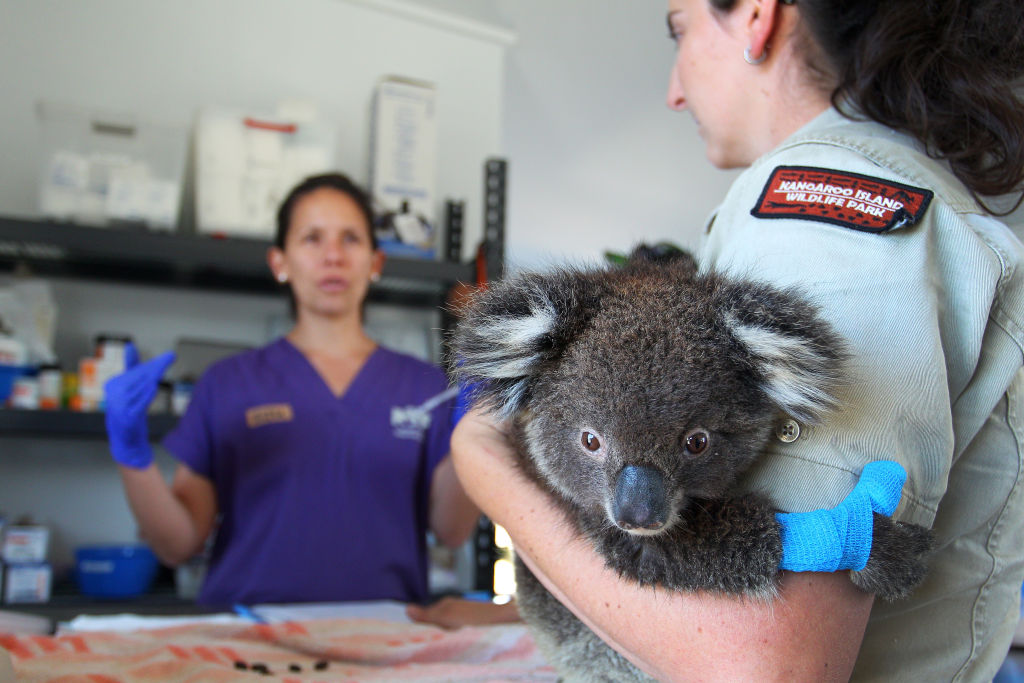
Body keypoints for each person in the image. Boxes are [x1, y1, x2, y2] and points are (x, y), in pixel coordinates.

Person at [451, 0, 1024, 680]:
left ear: (757, 15)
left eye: (679, 29)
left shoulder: (824, 208)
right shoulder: (832, 199)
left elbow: (763, 664)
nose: (672, 89)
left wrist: (486, 467)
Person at [105, 172, 480, 607]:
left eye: (351, 239)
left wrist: (473, 433)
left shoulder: (426, 386)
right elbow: (178, 545)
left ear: (375, 263)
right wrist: (132, 456)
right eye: (312, 238)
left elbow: (452, 532)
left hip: (383, 641)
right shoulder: (228, 382)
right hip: (248, 638)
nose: (333, 256)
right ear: (279, 262)